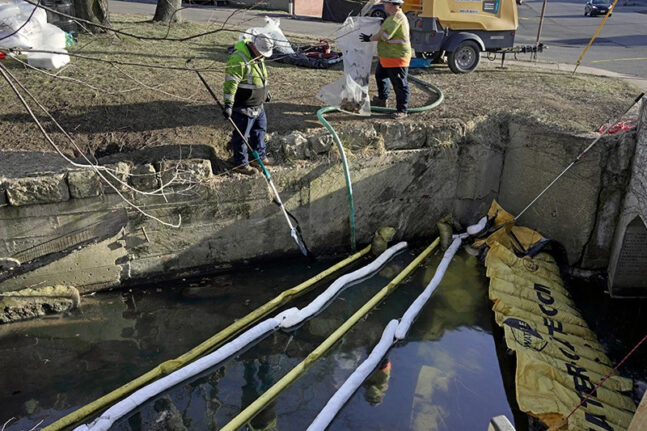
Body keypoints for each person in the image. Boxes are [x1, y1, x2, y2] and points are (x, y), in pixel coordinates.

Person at [223, 34, 274, 175]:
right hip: (244, 106)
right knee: (242, 136)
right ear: (254, 46)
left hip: (258, 104)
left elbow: (260, 76)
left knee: (260, 130)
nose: (263, 56)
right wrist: (228, 104)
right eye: (262, 52)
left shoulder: (258, 56)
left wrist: (265, 92)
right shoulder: (239, 59)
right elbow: (231, 83)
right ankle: (240, 163)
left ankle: (258, 157)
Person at [360, 0, 412, 119]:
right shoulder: (392, 17)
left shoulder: (396, 18)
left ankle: (402, 110)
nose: (384, 6)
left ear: (392, 5)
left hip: (396, 58)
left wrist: (370, 38)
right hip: (387, 58)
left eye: (386, 4)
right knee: (381, 76)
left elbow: (384, 36)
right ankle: (382, 100)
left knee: (400, 84)